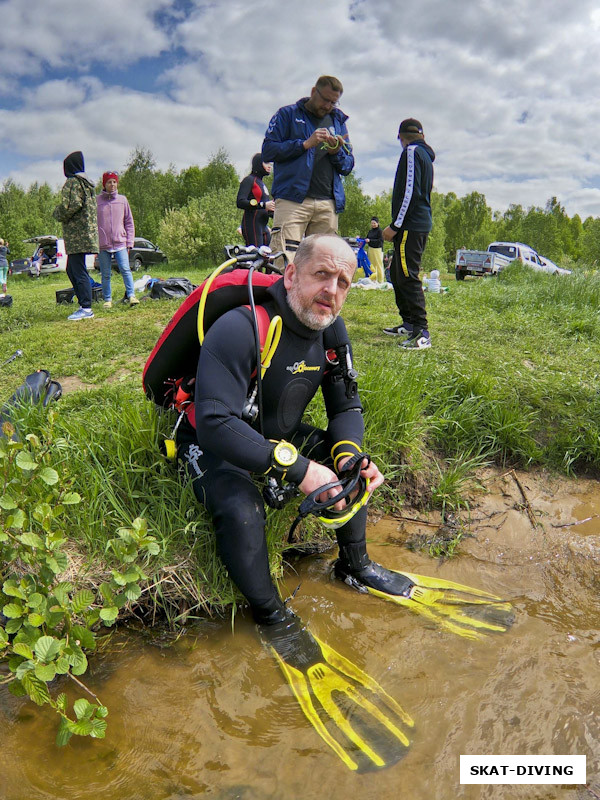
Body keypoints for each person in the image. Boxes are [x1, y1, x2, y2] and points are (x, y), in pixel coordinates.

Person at [156, 233, 512, 768]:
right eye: (322, 275)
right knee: (241, 507)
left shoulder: (331, 332)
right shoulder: (241, 326)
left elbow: (347, 405)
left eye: (344, 281)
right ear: (292, 274)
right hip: (208, 440)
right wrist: (299, 470)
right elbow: (216, 423)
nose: (332, 290)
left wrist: (347, 458)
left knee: (347, 467)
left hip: (272, 435)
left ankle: (357, 565)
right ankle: (274, 617)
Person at [261, 76, 354, 263]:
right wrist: (304, 144)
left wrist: (336, 152)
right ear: (313, 92)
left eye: (333, 102)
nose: (328, 106)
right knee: (283, 260)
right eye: (325, 100)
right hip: (292, 200)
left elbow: (348, 165)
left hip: (327, 202)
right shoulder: (287, 114)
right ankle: (281, 293)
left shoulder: (338, 120)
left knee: (324, 262)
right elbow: (267, 151)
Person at [382, 119, 435, 349]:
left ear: (401, 137)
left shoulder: (412, 152)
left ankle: (422, 331)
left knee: (407, 274)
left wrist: (395, 225)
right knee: (396, 272)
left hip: (410, 225)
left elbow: (409, 191)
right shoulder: (424, 154)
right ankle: (409, 324)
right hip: (415, 223)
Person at [52, 151, 99, 321]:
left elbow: (69, 206)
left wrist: (56, 213)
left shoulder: (73, 182)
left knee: (78, 271)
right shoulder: (87, 184)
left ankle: (86, 308)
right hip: (85, 233)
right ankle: (83, 304)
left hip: (77, 236)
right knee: (72, 269)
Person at [96, 171, 138, 308]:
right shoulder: (97, 201)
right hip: (103, 245)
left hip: (121, 242)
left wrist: (129, 243)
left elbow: (129, 222)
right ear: (104, 184)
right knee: (106, 274)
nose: (112, 184)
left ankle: (131, 295)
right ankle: (107, 299)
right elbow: (93, 223)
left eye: (114, 181)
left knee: (125, 269)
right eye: (109, 182)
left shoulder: (122, 200)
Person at [236, 154, 275, 247]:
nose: (270, 166)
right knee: (256, 257)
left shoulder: (262, 184)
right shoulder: (249, 180)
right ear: (258, 163)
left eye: (270, 163)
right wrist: (263, 205)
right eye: (266, 163)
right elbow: (240, 201)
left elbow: (265, 207)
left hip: (263, 226)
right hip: (252, 224)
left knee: (268, 256)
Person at [364, 217, 385, 283]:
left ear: (377, 223)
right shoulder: (370, 231)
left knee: (378, 265)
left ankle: (380, 280)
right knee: (371, 265)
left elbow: (380, 241)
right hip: (371, 249)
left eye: (374, 223)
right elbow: (366, 238)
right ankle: (373, 279)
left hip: (377, 249)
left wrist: (370, 241)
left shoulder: (380, 231)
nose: (373, 224)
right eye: (372, 223)